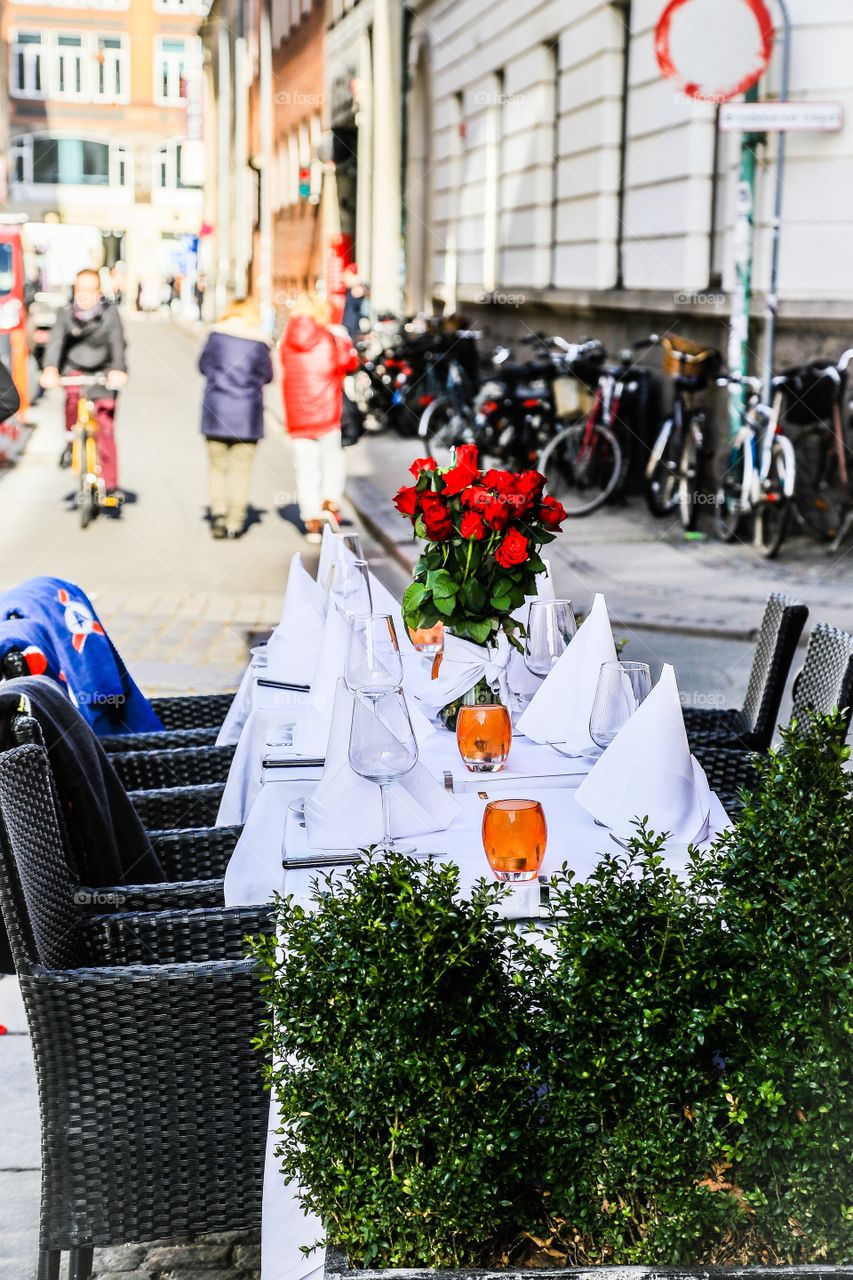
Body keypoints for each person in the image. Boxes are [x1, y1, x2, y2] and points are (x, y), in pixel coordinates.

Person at [279, 295, 358, 544]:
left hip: (298, 416)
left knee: (305, 468)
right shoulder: (330, 338)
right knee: (333, 461)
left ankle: (311, 521)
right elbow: (350, 362)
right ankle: (330, 503)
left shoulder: (286, 341)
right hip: (327, 413)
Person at [41, 268, 128, 493]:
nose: (85, 295)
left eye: (90, 290)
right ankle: (71, 441)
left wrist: (118, 370)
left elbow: (117, 343)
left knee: (105, 426)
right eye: (80, 290)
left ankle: (110, 483)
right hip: (75, 368)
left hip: (103, 370)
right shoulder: (65, 313)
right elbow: (55, 343)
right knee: (72, 402)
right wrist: (50, 369)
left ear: (99, 292)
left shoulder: (110, 313)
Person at [198, 297, 273, 540]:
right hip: (248, 414)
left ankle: (218, 514)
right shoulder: (260, 342)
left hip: (216, 410)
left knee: (217, 467)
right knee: (242, 470)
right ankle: (235, 521)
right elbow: (268, 376)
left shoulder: (216, 336)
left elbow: (202, 366)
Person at [340, 263, 368, 341]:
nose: (345, 278)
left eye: (348, 275)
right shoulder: (349, 290)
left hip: (354, 327)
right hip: (348, 325)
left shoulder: (358, 289)